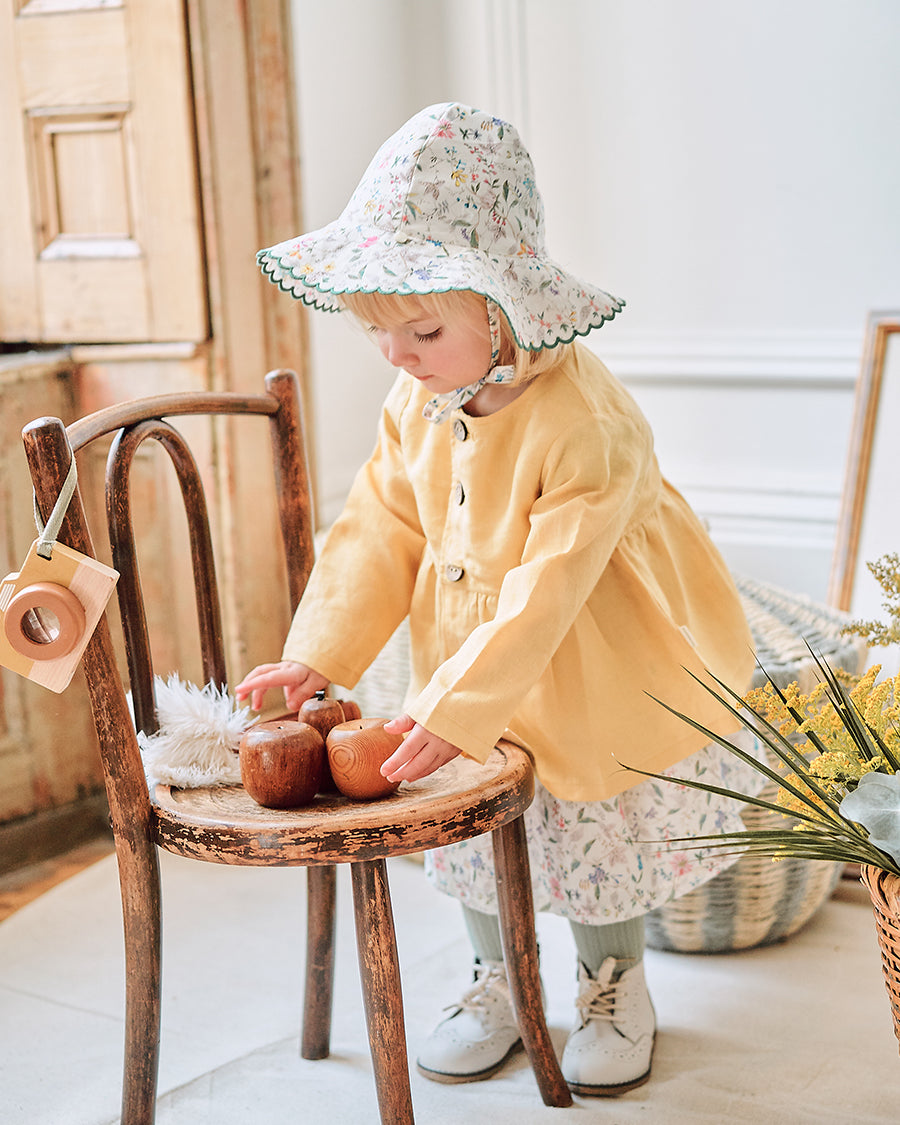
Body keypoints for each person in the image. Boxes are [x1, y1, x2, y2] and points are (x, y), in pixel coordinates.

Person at [236, 101, 763, 1097]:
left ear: (505, 306)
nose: (397, 355)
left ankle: (612, 984)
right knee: (473, 824)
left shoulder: (587, 422)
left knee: (590, 822)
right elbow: (379, 525)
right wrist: (322, 652)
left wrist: (457, 704)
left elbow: (549, 589)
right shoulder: (419, 397)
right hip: (461, 650)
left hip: (590, 652)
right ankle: (497, 978)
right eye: (377, 332)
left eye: (423, 330)